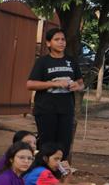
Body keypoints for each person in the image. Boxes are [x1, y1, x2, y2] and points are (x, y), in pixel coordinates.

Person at [26, 27, 84, 165]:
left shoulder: (71, 61)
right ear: (48, 43)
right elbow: (30, 84)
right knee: (47, 144)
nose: (61, 42)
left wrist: (77, 86)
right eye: (56, 39)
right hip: (46, 109)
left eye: (63, 39)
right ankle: (43, 172)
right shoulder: (43, 62)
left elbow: (81, 83)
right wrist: (54, 84)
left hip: (66, 110)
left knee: (64, 144)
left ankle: (60, 172)